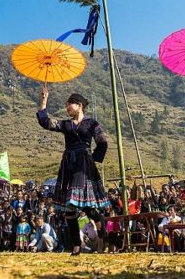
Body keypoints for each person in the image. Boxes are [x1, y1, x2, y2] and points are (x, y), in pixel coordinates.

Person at [37, 88, 108, 255]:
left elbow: (102, 142)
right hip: (68, 163)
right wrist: (44, 101)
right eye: (67, 104)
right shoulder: (66, 124)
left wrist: (93, 158)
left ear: (80, 105)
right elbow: (45, 122)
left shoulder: (92, 123)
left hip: (84, 164)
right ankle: (77, 244)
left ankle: (102, 231)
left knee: (86, 206)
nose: (67, 106)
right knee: (70, 207)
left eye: (70, 103)